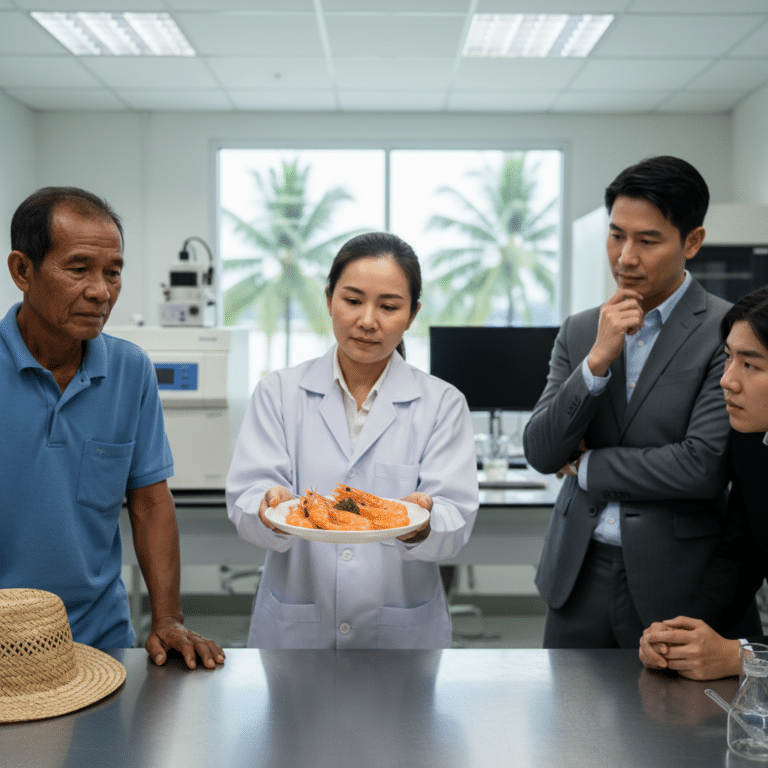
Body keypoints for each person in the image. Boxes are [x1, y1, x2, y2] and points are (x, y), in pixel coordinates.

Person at [523, 155, 751, 648]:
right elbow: (541, 452)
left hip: (675, 581)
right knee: (568, 723)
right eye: (616, 235)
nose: (626, 257)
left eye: (648, 241)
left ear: (692, 242)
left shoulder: (727, 331)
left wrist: (586, 467)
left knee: (669, 723)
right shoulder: (582, 329)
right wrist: (597, 361)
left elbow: (701, 465)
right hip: (576, 573)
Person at [0, 187, 224, 670]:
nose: (101, 290)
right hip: (5, 647)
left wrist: (167, 618)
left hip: (100, 640)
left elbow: (150, 502)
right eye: (78, 269)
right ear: (22, 270)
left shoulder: (130, 370)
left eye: (113, 272)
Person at [226, 231, 478, 649]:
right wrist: (267, 507)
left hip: (401, 632)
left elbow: (455, 516)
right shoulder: (279, 392)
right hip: (298, 626)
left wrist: (423, 523)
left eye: (389, 306)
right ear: (329, 300)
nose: (367, 320)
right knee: (293, 716)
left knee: (404, 717)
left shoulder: (442, 403)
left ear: (412, 314)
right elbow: (247, 496)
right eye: (353, 300)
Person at [640, 286, 768, 679]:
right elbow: (740, 553)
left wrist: (739, 657)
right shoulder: (750, 441)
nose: (726, 381)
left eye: (750, 365)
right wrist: (680, 635)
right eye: (728, 359)